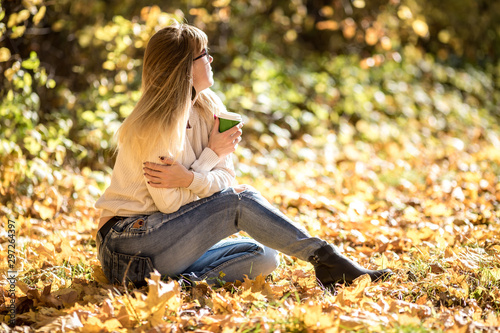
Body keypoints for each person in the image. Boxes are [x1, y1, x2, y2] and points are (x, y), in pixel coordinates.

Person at [95, 22, 392, 288]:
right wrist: (209, 158)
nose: (210, 59)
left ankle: (181, 286)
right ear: (184, 67)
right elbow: (170, 203)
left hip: (163, 247)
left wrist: (188, 178)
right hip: (126, 247)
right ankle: (329, 260)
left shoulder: (209, 106)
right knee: (238, 201)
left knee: (264, 256)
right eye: (203, 55)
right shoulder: (154, 124)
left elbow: (226, 179)